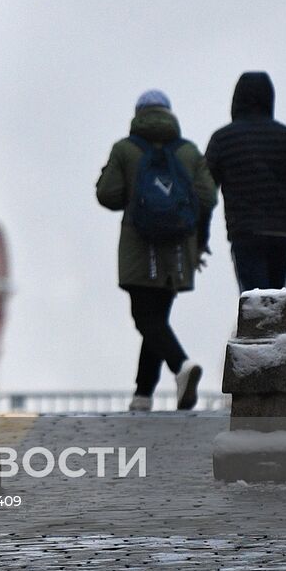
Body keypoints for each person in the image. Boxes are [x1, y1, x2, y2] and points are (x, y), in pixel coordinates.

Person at [97, 90, 217, 411]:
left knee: (144, 317)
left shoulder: (126, 149)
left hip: (140, 247)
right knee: (157, 317)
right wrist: (200, 241)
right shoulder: (188, 152)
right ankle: (143, 395)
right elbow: (207, 198)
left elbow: (107, 195)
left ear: (138, 114)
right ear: (169, 114)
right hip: (178, 250)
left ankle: (180, 366)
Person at [205, 72, 286, 292]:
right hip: (283, 234)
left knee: (256, 304)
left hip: (246, 232)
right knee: (274, 301)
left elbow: (203, 193)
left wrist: (199, 237)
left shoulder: (223, 139)